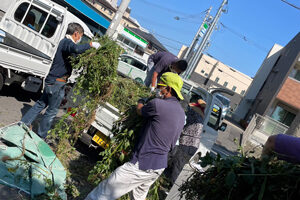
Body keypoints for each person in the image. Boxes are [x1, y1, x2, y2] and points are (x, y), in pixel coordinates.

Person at [85, 72, 186, 200]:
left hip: (143, 162)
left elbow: (140, 111)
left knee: (105, 191)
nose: (158, 89)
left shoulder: (158, 104)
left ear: (169, 89)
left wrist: (141, 101)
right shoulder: (182, 114)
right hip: (159, 165)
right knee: (138, 197)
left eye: (160, 86)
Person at [21, 22, 100, 139]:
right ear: (76, 34)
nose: (80, 39)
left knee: (40, 104)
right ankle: (41, 136)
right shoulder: (67, 43)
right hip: (57, 83)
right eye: (81, 37)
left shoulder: (64, 44)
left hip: (51, 80)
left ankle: (23, 124)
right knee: (52, 112)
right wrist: (91, 44)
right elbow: (77, 49)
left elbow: (74, 56)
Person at [168, 98, 206, 184]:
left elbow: (181, 117)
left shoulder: (194, 113)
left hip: (187, 144)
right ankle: (171, 184)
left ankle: (172, 188)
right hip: (193, 146)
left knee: (177, 165)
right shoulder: (201, 115)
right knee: (177, 164)